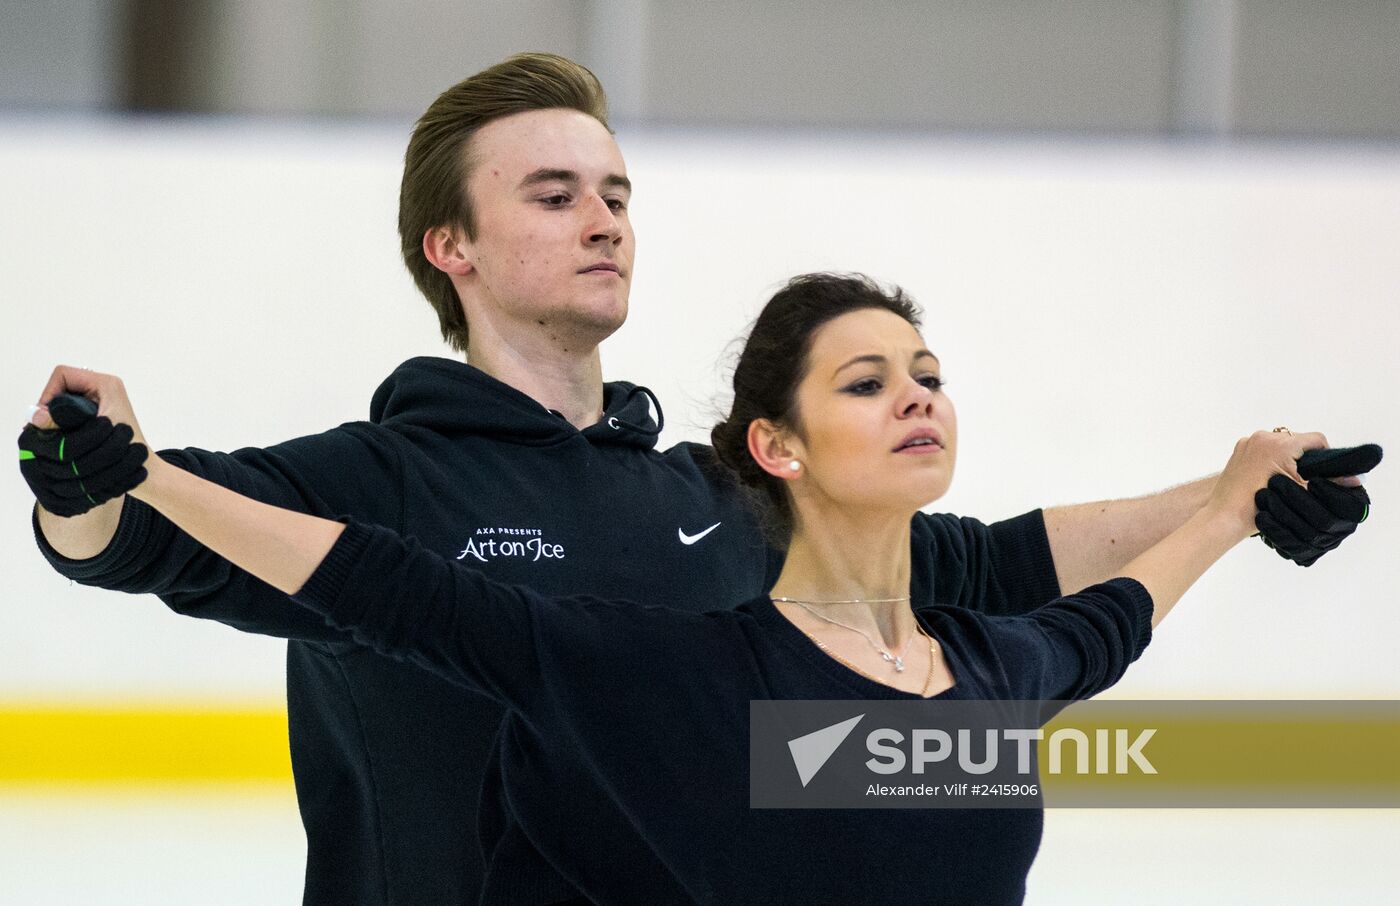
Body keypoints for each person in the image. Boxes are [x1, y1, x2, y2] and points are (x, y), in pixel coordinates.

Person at [19, 55, 1372, 904]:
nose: (605, 217)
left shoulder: (715, 495)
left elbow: (991, 569)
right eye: (554, 195)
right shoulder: (378, 479)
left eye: (616, 191)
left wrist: (1232, 495)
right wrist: (86, 478)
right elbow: (124, 534)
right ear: (453, 248)